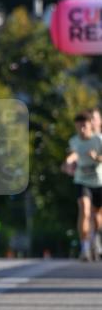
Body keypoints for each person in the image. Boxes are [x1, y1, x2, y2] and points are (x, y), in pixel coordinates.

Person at [61, 111, 102, 261]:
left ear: (91, 124)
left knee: (97, 218)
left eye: (84, 126)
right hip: (82, 181)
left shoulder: (99, 140)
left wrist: (96, 157)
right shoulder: (74, 141)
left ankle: (95, 239)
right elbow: (74, 154)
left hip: (99, 182)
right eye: (79, 127)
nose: (82, 130)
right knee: (84, 210)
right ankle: (84, 248)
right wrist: (68, 163)